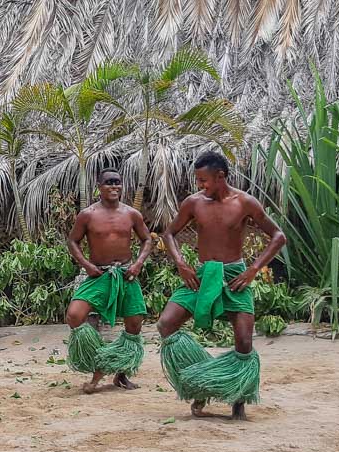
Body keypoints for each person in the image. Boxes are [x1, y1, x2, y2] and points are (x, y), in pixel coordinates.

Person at [157, 152, 286, 420]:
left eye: (204, 180)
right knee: (166, 324)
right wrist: (181, 263)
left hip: (236, 275)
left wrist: (253, 269)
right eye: (197, 180)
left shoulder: (245, 202)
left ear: (220, 176)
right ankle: (203, 380)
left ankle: (238, 399)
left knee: (244, 341)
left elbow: (278, 236)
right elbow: (168, 234)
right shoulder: (193, 203)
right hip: (203, 275)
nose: (200, 185)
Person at [64, 168, 155, 394]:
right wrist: (86, 265)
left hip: (126, 273)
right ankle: (97, 360)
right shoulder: (88, 214)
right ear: (99, 186)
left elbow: (147, 240)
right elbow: (73, 241)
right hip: (99, 275)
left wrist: (138, 263)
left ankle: (121, 374)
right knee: (75, 315)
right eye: (109, 183)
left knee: (134, 326)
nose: (114, 186)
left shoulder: (132, 214)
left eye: (117, 182)